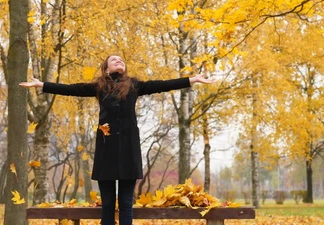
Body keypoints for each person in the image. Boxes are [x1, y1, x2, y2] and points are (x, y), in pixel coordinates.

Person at [19, 55, 214, 225]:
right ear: (106, 68)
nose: (119, 61)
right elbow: (73, 89)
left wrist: (192, 80)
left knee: (127, 202)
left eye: (121, 60)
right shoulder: (99, 87)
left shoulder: (135, 85)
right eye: (114, 60)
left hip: (129, 149)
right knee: (109, 203)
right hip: (107, 151)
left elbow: (162, 85)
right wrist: (42, 85)